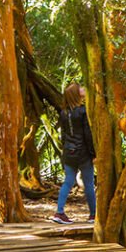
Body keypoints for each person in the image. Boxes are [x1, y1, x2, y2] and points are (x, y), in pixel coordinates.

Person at [52, 82, 96, 224]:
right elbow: (87, 134)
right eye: (80, 88)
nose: (83, 89)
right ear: (76, 94)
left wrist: (66, 149)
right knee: (89, 183)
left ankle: (59, 212)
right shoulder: (83, 111)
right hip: (83, 153)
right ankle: (93, 215)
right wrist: (93, 153)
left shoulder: (64, 113)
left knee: (68, 182)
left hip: (69, 152)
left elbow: (63, 135)